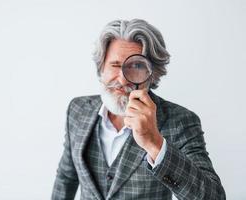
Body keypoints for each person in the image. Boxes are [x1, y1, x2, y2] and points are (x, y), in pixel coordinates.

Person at [51, 19, 226, 200]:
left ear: (153, 74)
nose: (123, 79)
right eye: (116, 65)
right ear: (101, 66)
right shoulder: (77, 109)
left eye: (136, 66)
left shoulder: (180, 121)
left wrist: (155, 143)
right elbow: (66, 177)